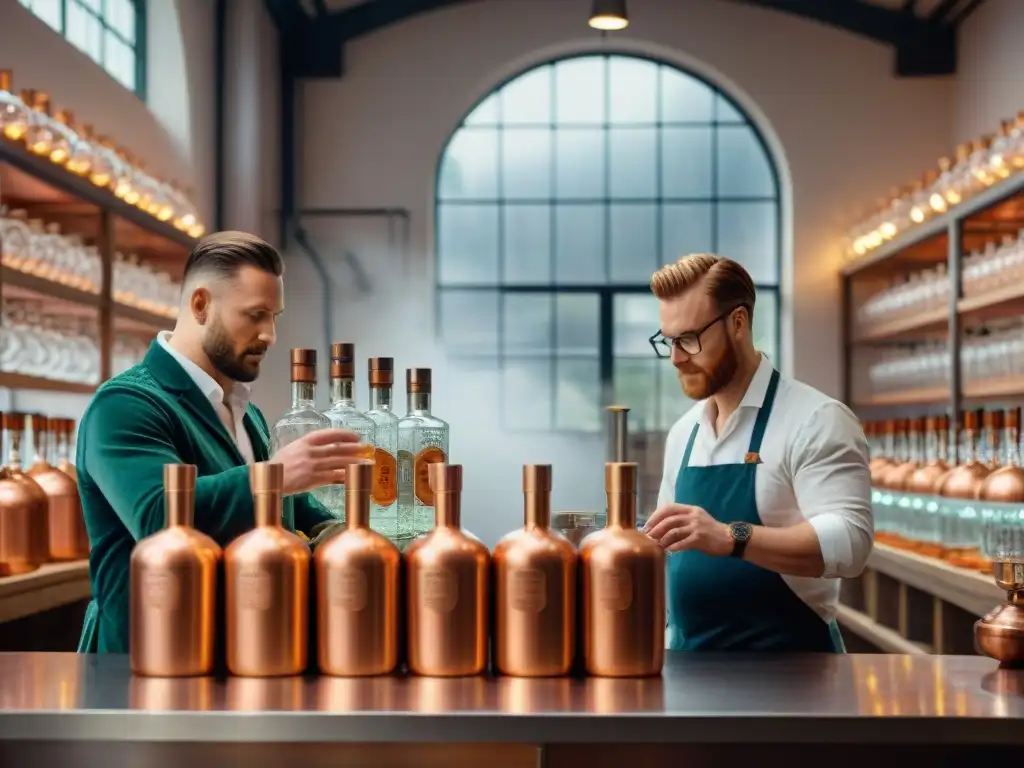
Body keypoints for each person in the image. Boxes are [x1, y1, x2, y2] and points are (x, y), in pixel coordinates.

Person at [76, 231, 365, 654]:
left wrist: (348, 532)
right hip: (142, 668)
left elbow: (288, 509)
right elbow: (159, 516)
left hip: (233, 659)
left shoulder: (247, 414)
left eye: (275, 317)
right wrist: (277, 475)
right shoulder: (125, 406)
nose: (270, 335)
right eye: (255, 315)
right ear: (200, 305)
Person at [642, 253, 872, 653]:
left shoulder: (815, 419)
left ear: (738, 323)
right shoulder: (684, 433)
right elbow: (668, 555)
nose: (677, 358)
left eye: (690, 339)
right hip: (688, 681)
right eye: (669, 341)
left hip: (793, 684)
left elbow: (850, 544)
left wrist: (731, 536)